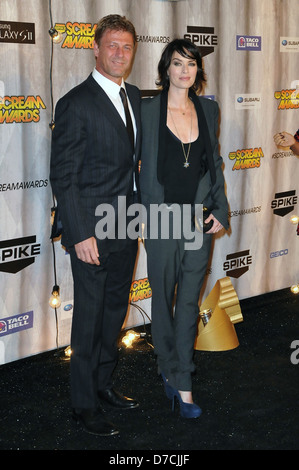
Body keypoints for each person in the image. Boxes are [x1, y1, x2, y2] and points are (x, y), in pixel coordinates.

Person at [50, 14, 141, 436]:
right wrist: (80, 233)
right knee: (88, 319)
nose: (120, 53)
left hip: (127, 225)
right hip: (91, 231)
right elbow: (63, 176)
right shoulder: (76, 103)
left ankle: (103, 385)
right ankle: (83, 405)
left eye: (126, 47)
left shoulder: (136, 96)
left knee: (112, 314)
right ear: (96, 48)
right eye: (112, 46)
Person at [139, 39, 229, 418]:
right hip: (161, 220)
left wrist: (221, 209)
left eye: (191, 64)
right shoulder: (146, 111)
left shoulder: (209, 110)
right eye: (177, 63)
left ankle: (184, 382)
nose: (184, 70)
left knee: (189, 302)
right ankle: (168, 369)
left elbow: (215, 162)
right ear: (166, 69)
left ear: (197, 71)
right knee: (162, 300)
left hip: (198, 220)